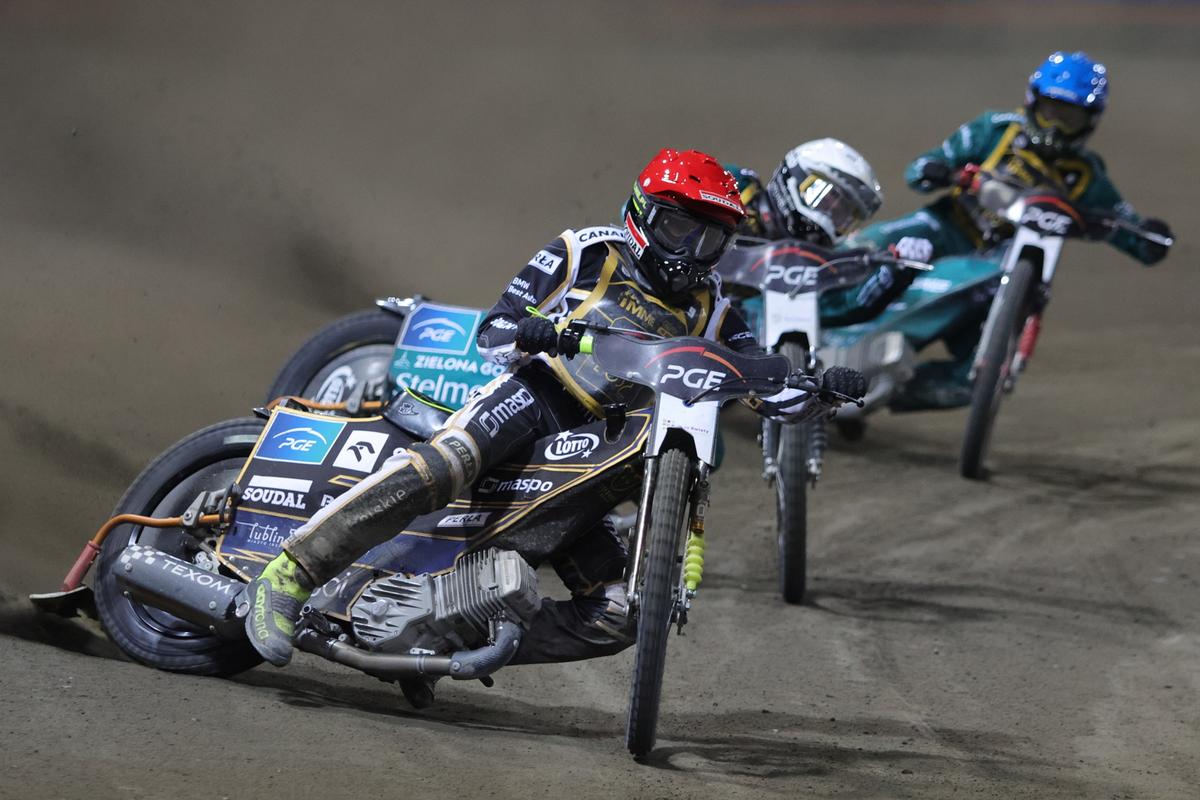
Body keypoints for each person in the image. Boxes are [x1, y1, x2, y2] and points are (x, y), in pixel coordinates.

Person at [243, 148, 865, 678]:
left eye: (710, 239)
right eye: (681, 230)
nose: (691, 252)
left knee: (622, 613)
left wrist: (816, 388)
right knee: (446, 464)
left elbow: (758, 381)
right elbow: (494, 330)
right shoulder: (585, 250)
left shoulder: (714, 306)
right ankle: (290, 574)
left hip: (601, 446)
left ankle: (447, 631)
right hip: (534, 397)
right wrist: (541, 332)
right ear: (644, 215)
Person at [845, 51, 1174, 410]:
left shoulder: (1086, 175)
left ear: (1090, 122)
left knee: (980, 379)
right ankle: (809, 309)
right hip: (946, 226)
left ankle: (883, 389)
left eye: (1069, 118)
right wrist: (937, 170)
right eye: (1050, 111)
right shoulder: (996, 128)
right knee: (867, 245)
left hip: (1000, 265)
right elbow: (921, 168)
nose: (1055, 128)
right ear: (1032, 102)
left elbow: (1130, 227)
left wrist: (1147, 237)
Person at [726, 138, 935, 325]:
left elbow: (842, 307)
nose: (832, 214)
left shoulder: (816, 263)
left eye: (843, 215)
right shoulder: (738, 187)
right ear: (796, 177)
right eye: (825, 198)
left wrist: (896, 272)